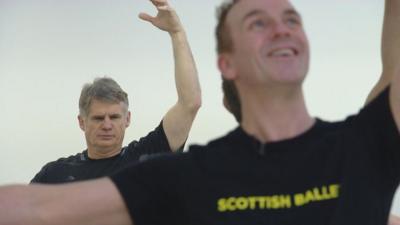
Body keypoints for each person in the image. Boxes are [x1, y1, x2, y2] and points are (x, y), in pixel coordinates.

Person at [0, 0, 399, 224]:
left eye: (292, 18)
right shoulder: (187, 174)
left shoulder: (363, 147)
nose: (282, 28)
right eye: (258, 23)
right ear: (227, 63)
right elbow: (35, 207)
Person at [30, 0, 201, 184]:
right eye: (98, 118)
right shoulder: (54, 175)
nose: (107, 125)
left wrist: (177, 33)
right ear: (81, 121)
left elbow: (190, 103)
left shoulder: (145, 158)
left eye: (114, 117)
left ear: (127, 119)